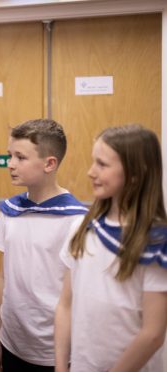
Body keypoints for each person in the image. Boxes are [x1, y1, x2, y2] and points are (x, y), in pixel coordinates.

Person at [54, 125, 167, 372]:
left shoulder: (157, 241)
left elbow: (153, 333)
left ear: (136, 173)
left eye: (102, 165)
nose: (90, 171)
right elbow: (65, 304)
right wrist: (61, 367)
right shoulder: (82, 228)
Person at [0, 119, 88, 372]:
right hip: (12, 342)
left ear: (49, 163)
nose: (10, 164)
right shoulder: (10, 210)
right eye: (9, 155)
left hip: (53, 352)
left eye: (20, 157)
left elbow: (79, 296)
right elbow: (3, 278)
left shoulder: (75, 220)